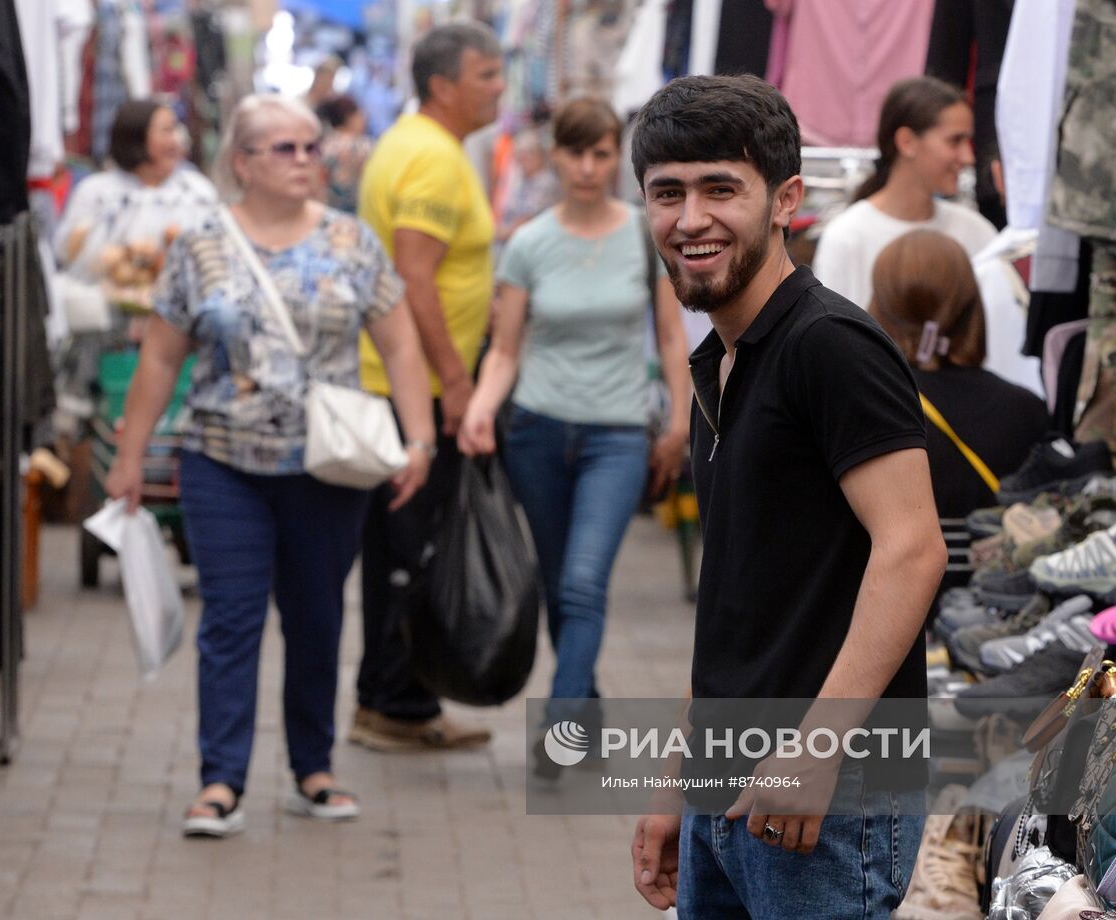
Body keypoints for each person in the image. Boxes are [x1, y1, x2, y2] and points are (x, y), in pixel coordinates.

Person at [627, 75, 947, 918]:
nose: (690, 219)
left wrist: (817, 749)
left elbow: (913, 549)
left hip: (826, 797)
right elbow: (740, 605)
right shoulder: (720, 362)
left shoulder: (829, 345)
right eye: (667, 194)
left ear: (785, 201)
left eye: (719, 189)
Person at [104, 93, 435, 837]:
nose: (305, 160)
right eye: (284, 149)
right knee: (231, 620)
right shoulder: (202, 244)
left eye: (312, 147)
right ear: (243, 162)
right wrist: (131, 457)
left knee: (316, 619)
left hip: (328, 467)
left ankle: (312, 769)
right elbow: (160, 354)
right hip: (222, 460)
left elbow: (401, 344)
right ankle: (220, 781)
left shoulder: (353, 242)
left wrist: (420, 439)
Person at [457, 97, 691, 771]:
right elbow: (505, 349)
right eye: (575, 152)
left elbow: (672, 336)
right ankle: (581, 705)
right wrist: (481, 407)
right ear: (553, 155)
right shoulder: (529, 243)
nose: (588, 168)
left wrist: (678, 419)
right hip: (535, 429)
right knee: (561, 583)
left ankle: (559, 733)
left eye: (601, 153)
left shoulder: (646, 235)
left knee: (585, 582)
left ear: (617, 156)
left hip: (615, 434)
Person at [350, 22, 505, 753]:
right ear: (444, 86)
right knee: (416, 548)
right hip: (407, 388)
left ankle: (391, 697)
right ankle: (397, 703)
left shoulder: (410, 144)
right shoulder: (435, 161)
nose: (501, 85)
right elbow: (414, 276)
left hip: (389, 383)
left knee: (395, 546)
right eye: (487, 73)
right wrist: (453, 380)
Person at [869, 229, 1049, 520]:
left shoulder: (865, 405)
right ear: (971, 304)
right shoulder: (1026, 409)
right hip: (998, 562)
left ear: (880, 306)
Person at [811, 77, 997, 311]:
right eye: (955, 141)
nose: (968, 158)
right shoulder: (846, 238)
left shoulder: (978, 233)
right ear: (907, 142)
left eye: (968, 142)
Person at [54, 99, 217, 283]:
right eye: (166, 131)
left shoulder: (196, 190)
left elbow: (216, 258)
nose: (175, 140)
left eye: (175, 130)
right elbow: (65, 254)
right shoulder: (96, 192)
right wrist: (123, 255)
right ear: (136, 136)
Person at [494, 128, 560, 244]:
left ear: (539, 155)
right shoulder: (522, 180)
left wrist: (502, 232)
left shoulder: (545, 182)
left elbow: (528, 218)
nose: (523, 159)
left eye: (528, 154)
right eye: (520, 154)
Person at [315, 93, 374, 213]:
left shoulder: (323, 144)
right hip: (357, 210)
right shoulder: (364, 146)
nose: (364, 118)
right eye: (360, 114)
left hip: (327, 210)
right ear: (349, 117)